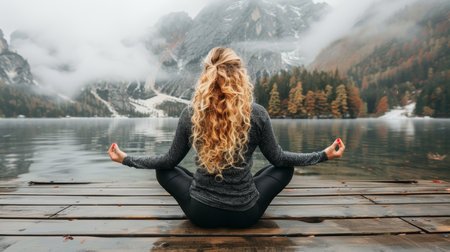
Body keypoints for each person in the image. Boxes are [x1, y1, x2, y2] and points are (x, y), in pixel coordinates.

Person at [108, 47, 345, 228]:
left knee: (165, 170)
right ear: (240, 75)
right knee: (284, 168)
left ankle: (204, 192)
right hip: (246, 215)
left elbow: (169, 161)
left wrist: (126, 158)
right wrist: (323, 155)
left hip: (201, 214)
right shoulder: (257, 114)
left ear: (206, 77)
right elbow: (279, 158)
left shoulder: (191, 113)